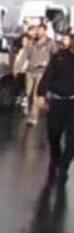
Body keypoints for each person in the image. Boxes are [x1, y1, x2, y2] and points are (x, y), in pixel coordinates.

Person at [35, 29, 74, 182]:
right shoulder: (59, 57)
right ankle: (55, 158)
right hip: (57, 101)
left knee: (72, 140)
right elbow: (48, 76)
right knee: (54, 133)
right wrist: (41, 94)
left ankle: (63, 167)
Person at [16, 20, 58, 125]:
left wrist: (47, 63)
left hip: (41, 72)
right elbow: (25, 55)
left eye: (40, 30)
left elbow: (56, 57)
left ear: (45, 31)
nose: (38, 32)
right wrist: (19, 67)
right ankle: (30, 112)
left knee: (36, 95)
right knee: (28, 93)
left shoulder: (50, 43)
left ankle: (33, 118)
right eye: (37, 30)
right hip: (30, 71)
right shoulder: (32, 42)